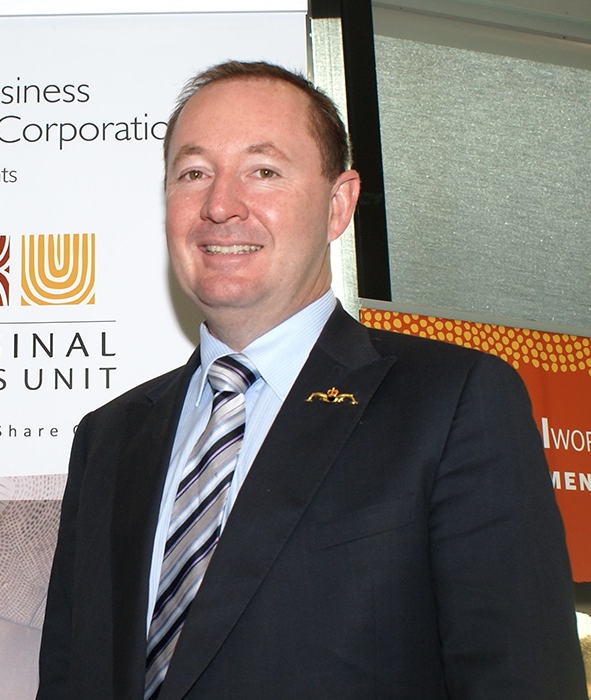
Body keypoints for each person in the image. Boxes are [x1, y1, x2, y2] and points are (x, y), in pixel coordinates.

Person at [36, 61, 586, 699]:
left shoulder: (454, 402)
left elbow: (521, 681)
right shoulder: (108, 437)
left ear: (338, 204)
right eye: (193, 174)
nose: (219, 205)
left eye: (263, 171)